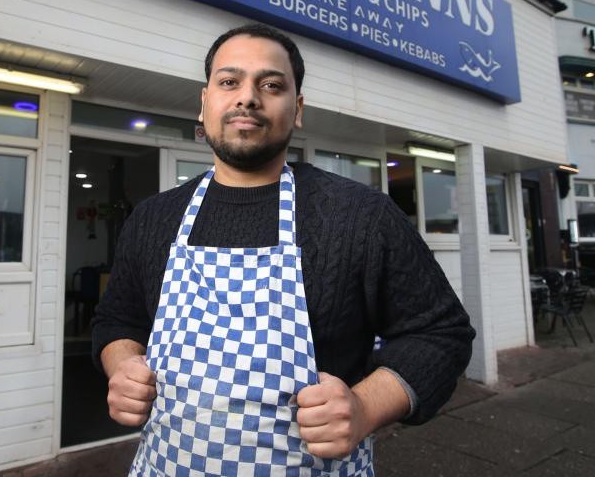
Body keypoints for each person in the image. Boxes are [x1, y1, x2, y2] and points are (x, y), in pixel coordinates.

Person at [92, 24, 474, 475]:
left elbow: (441, 334)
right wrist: (121, 367)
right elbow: (118, 319)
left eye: (271, 85)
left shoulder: (360, 216)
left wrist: (366, 407)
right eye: (229, 82)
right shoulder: (154, 217)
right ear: (204, 102)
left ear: (297, 110)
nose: (248, 97)